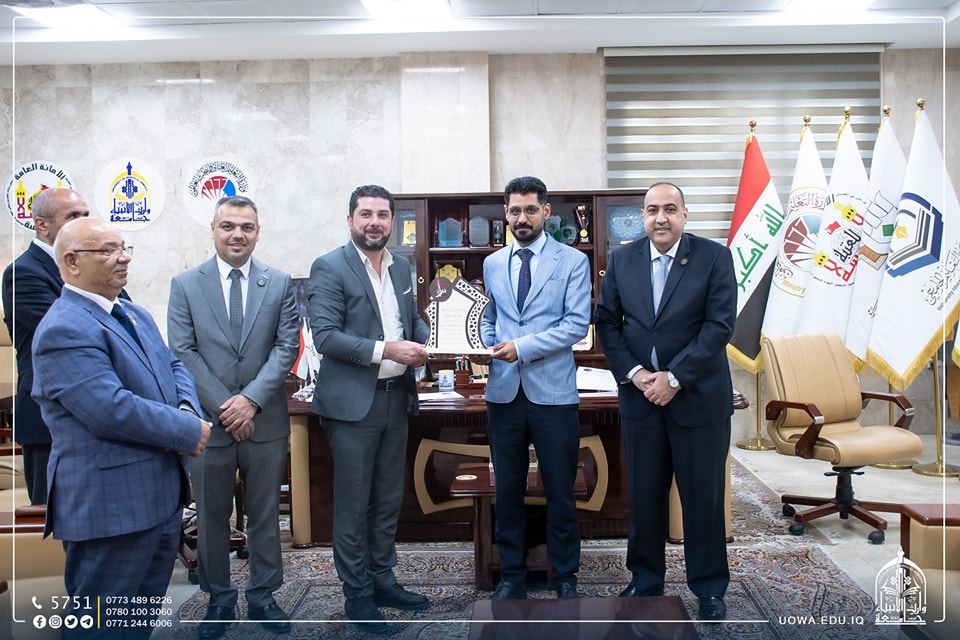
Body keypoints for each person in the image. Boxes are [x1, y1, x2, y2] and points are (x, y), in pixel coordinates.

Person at [31, 217, 212, 638]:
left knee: (136, 625)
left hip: (158, 501)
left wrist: (187, 408)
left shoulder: (131, 311)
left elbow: (173, 364)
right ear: (72, 262)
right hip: (110, 509)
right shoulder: (63, 328)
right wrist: (186, 431)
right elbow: (110, 409)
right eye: (108, 250)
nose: (123, 258)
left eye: (124, 247)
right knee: (100, 628)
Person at [594, 181, 736, 621]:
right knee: (645, 495)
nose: (661, 218)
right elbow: (607, 323)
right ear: (642, 215)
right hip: (641, 401)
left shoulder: (714, 257)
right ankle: (645, 577)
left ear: (684, 215)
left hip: (698, 400)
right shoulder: (622, 259)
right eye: (652, 209)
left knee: (703, 499)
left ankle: (709, 587)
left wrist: (673, 378)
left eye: (670, 209)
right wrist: (637, 375)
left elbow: (719, 326)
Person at [167, 195, 299, 639]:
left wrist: (251, 401)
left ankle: (263, 595)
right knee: (211, 516)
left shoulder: (278, 283)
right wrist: (229, 405)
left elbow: (286, 347)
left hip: (264, 421)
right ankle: (219, 598)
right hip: (209, 424)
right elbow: (183, 351)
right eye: (228, 226)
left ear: (258, 232)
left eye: (246, 227)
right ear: (213, 229)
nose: (237, 234)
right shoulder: (186, 285)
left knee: (265, 516)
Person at [307, 184, 431, 634]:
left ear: (392, 221)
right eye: (366, 214)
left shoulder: (400, 267)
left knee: (387, 501)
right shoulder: (329, 267)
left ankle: (382, 580)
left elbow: (411, 320)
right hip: (352, 407)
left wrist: (430, 338)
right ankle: (357, 595)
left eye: (382, 215)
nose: (374, 222)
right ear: (350, 220)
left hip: (396, 399)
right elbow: (326, 336)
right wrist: (387, 351)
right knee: (354, 506)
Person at [479, 175, 591, 600]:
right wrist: (484, 344)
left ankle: (564, 576)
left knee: (559, 489)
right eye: (514, 211)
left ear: (546, 212)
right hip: (503, 393)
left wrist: (520, 348)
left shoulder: (572, 261)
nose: (521, 218)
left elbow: (575, 325)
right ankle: (512, 575)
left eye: (530, 210)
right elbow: (489, 317)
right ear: (505, 214)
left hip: (553, 394)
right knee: (507, 488)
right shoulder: (493, 263)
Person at [2, 187, 90, 505]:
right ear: (42, 224)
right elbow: (73, 333)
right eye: (73, 216)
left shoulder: (93, 266)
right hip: (48, 418)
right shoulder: (23, 274)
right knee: (51, 518)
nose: (82, 222)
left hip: (94, 414)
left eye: (85, 215)